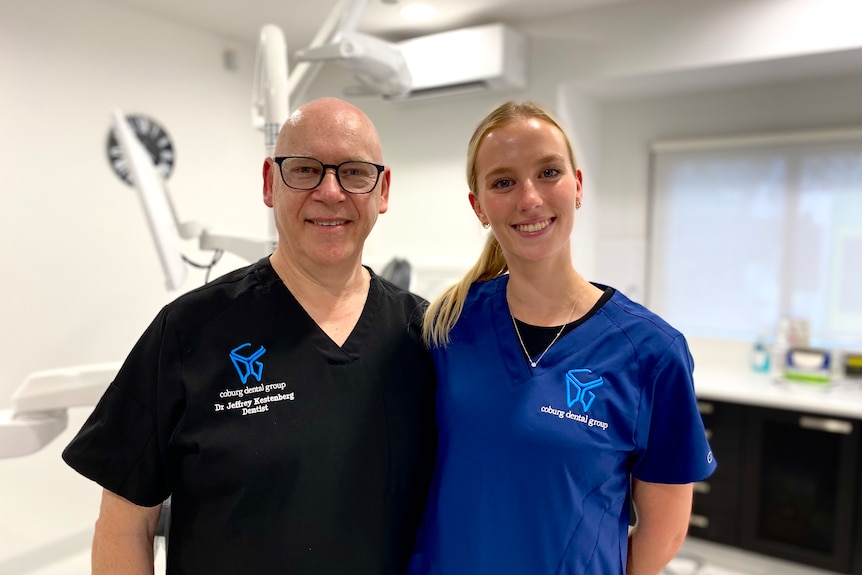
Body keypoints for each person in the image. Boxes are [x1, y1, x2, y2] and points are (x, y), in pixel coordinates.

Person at [62, 97, 437, 575]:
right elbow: (124, 526)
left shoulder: (424, 336)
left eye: (354, 173)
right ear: (269, 183)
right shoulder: (189, 331)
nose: (330, 191)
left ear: (382, 191)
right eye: (303, 170)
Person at [408, 101, 716, 575]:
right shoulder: (447, 326)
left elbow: (665, 531)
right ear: (479, 206)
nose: (529, 198)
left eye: (548, 172)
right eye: (503, 182)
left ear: (577, 186)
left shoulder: (650, 352)